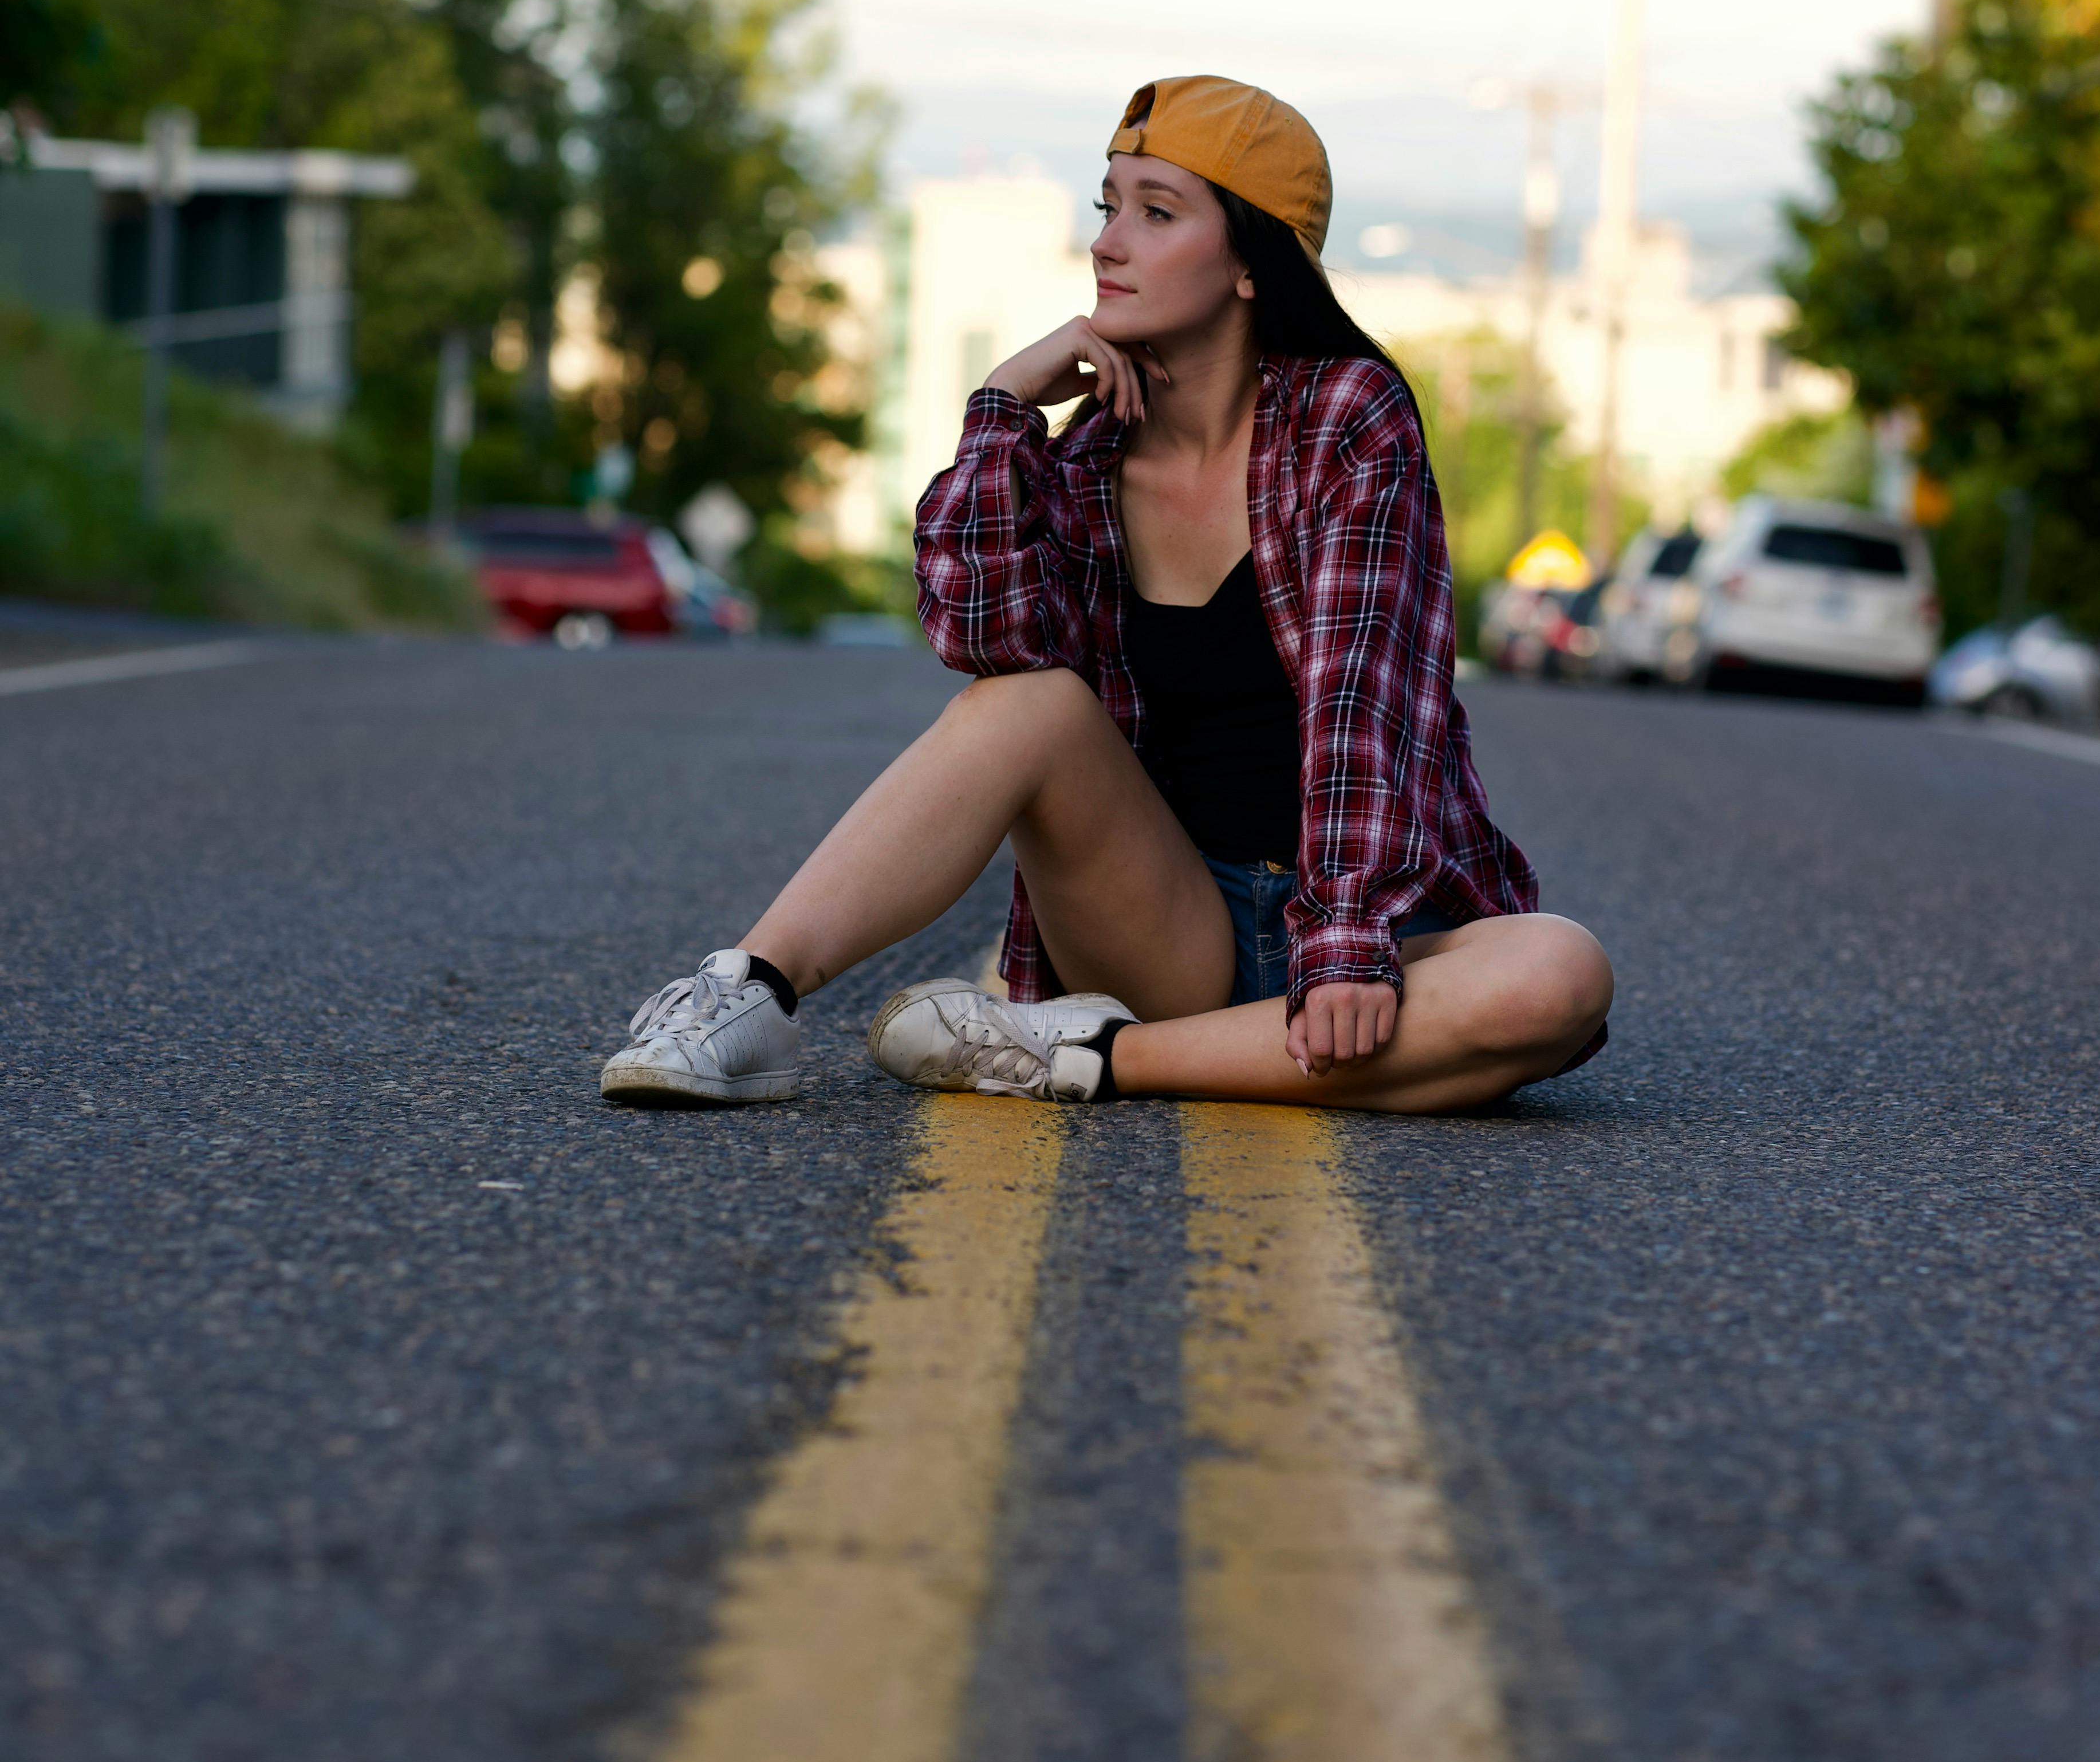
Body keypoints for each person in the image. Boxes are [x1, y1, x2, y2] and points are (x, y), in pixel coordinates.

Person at [602, 76, 1612, 1116]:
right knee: (1028, 705)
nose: (1109, 243)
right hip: (1172, 930)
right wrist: (1000, 413)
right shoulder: (1085, 458)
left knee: (1560, 977)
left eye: (1157, 212)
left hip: (1379, 933)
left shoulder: (1350, 420)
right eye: (1108, 205)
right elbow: (979, 637)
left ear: (1251, 264)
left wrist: (1348, 938)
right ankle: (743, 997)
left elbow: (1366, 699)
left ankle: (1088, 1057)